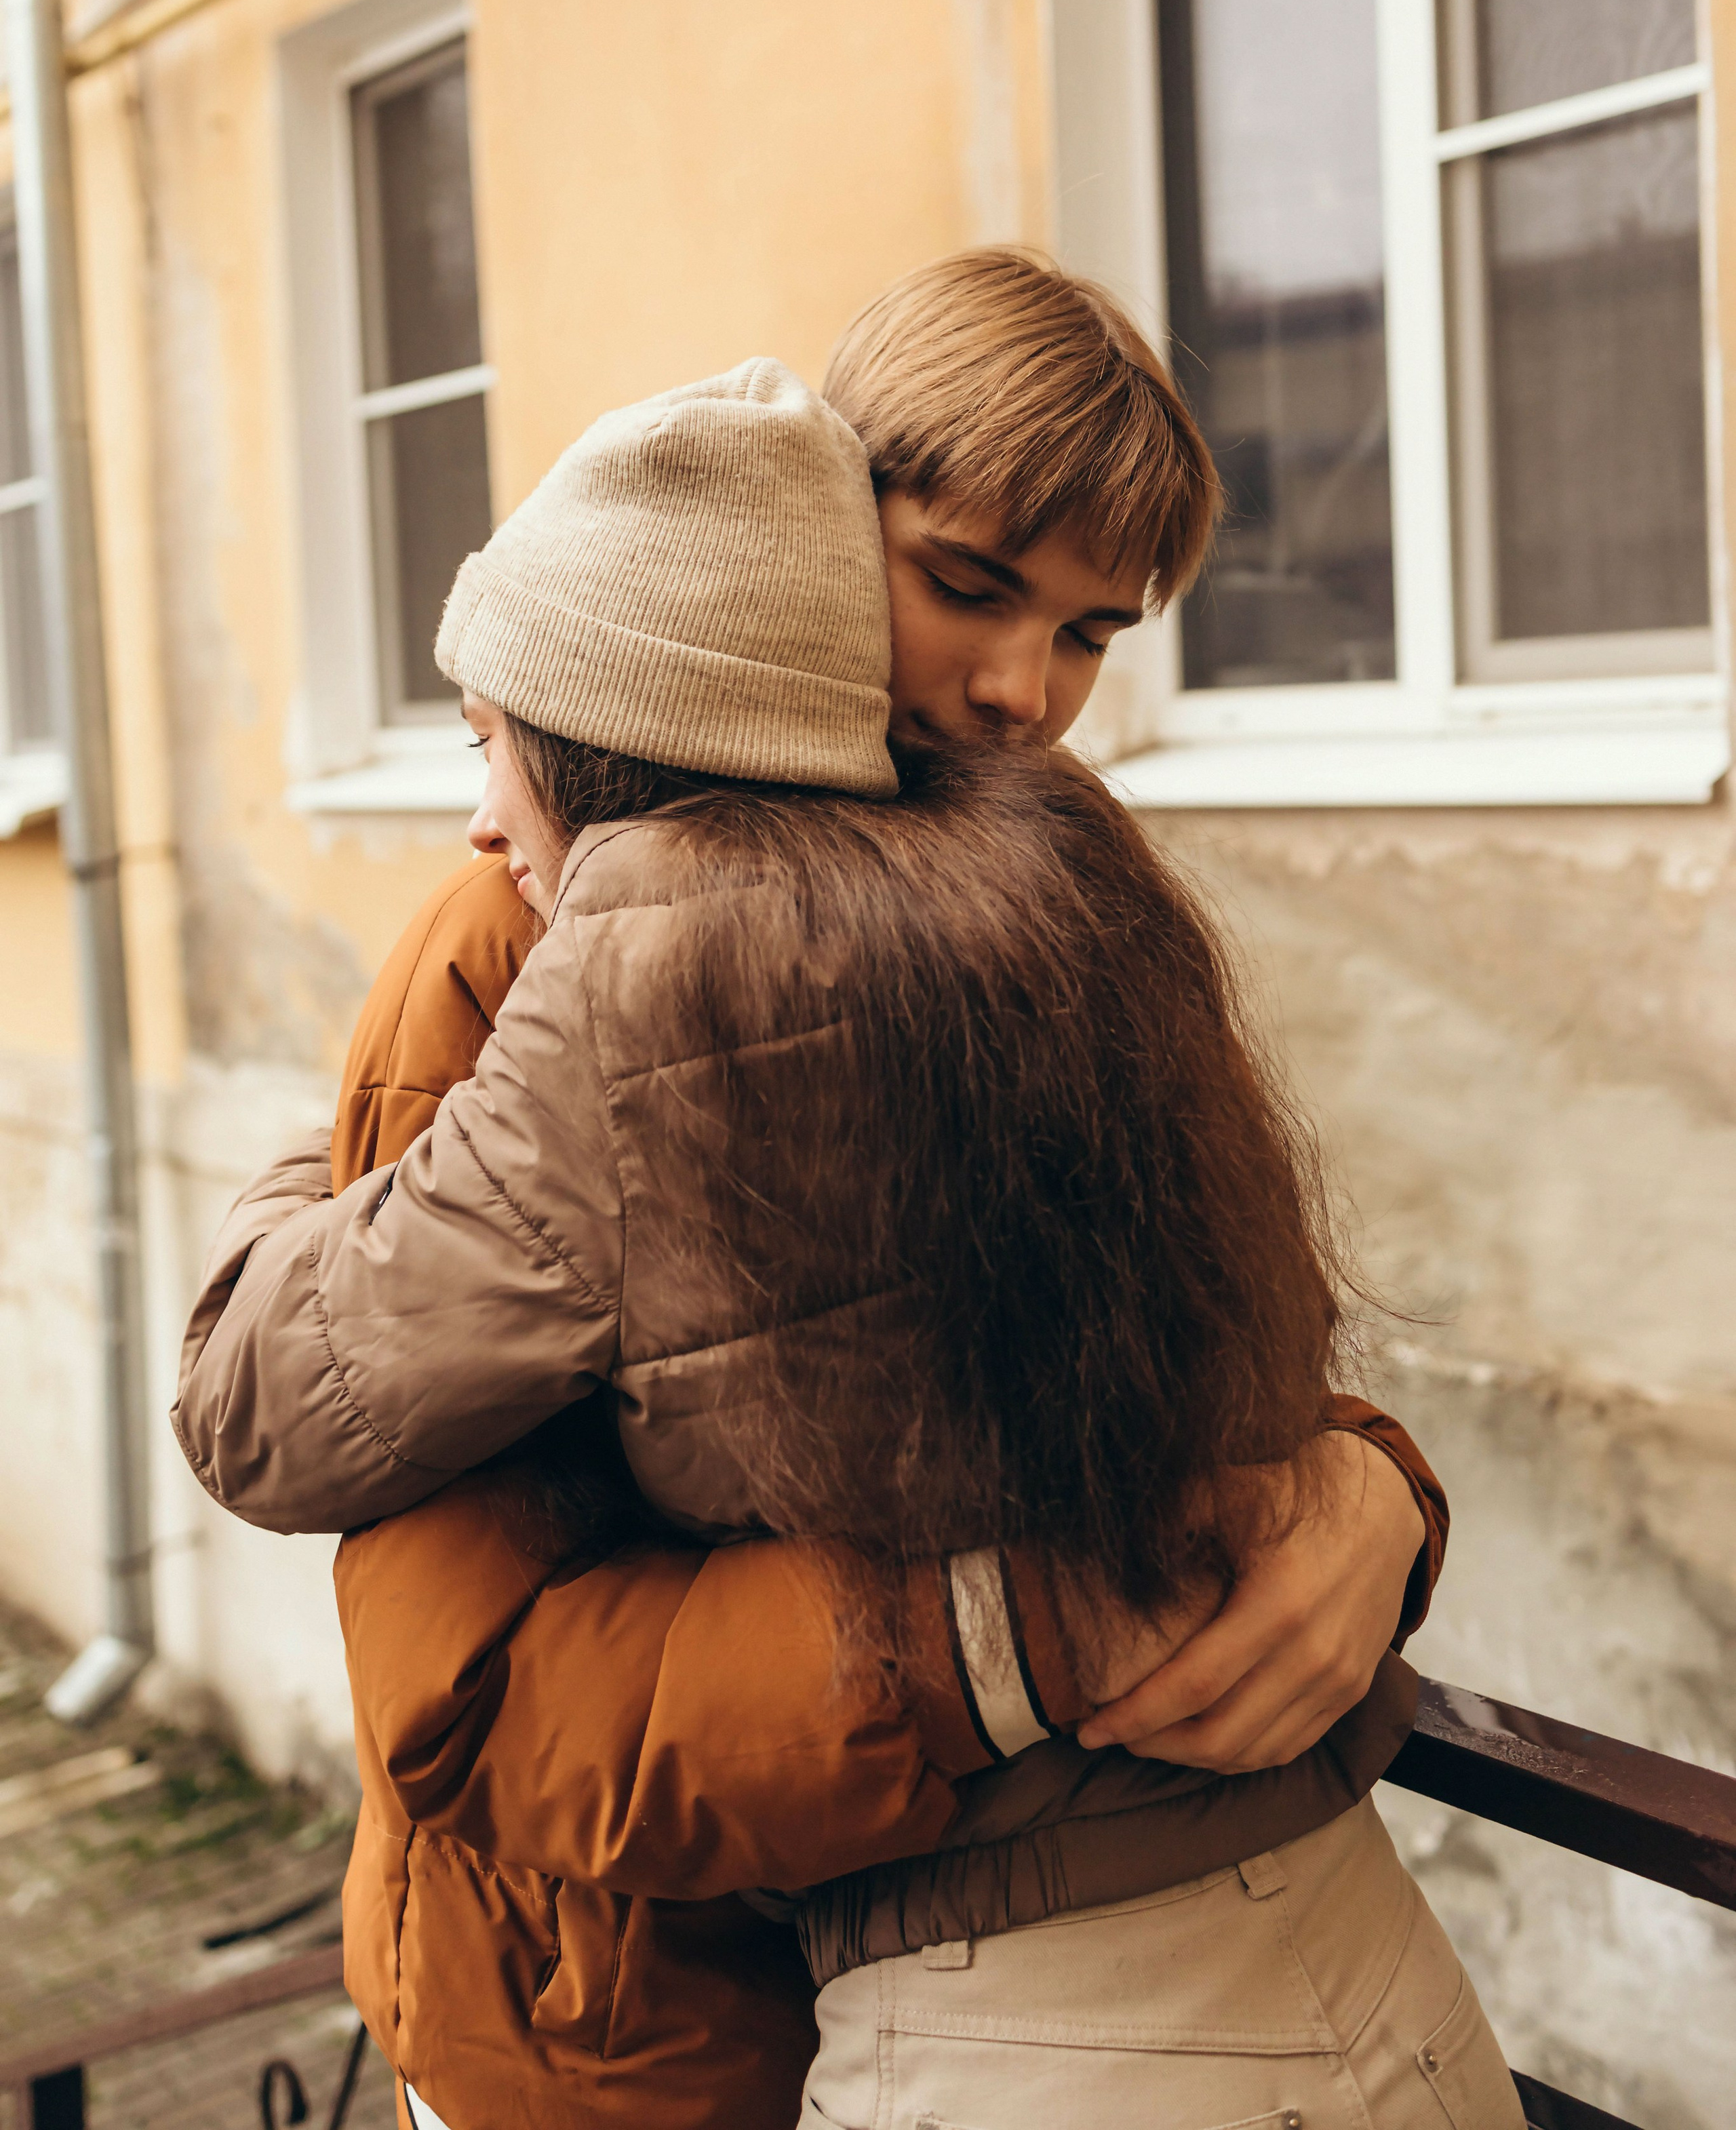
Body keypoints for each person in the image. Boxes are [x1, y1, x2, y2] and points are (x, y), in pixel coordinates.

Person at [174, 338, 1518, 2129]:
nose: (1022, 689)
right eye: (963, 585)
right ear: (809, 525)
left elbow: (1140, 1368)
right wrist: (1024, 1627)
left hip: (1036, 1976)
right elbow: (466, 1673)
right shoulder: (533, 920)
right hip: (649, 2037)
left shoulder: (1023, 879)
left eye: (1095, 633)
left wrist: (1367, 1494)